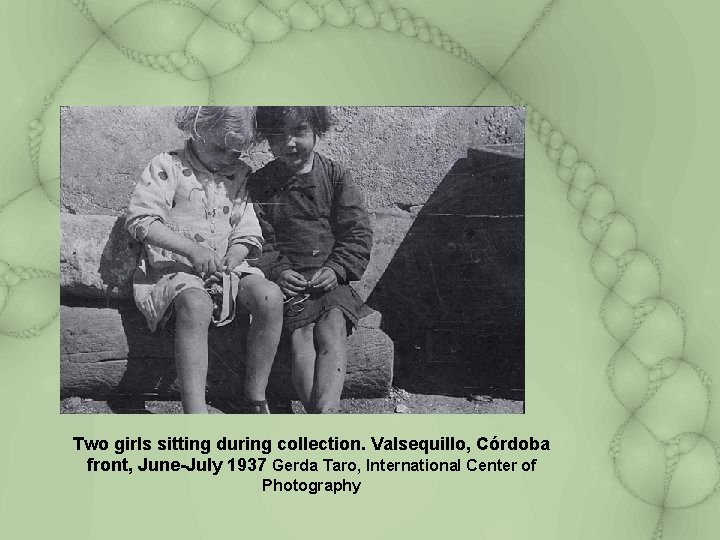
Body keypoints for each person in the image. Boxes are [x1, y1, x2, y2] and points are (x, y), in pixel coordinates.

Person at [125, 106, 284, 414]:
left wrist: (234, 256)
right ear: (198, 131)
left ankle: (254, 396)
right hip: (176, 267)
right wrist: (191, 250)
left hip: (227, 267)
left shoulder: (239, 175)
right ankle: (195, 412)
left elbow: (247, 228)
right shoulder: (167, 166)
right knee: (197, 304)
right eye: (220, 148)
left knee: (270, 296)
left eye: (235, 152)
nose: (227, 158)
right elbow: (141, 220)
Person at [249, 106, 373, 413]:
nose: (290, 143)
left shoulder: (335, 176)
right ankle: (317, 414)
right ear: (267, 139)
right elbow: (258, 237)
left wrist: (338, 267)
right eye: (279, 136)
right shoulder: (261, 183)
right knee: (302, 337)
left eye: (300, 132)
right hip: (292, 283)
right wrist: (278, 270)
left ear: (317, 129)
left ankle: (325, 414)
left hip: (331, 279)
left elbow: (357, 231)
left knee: (332, 325)